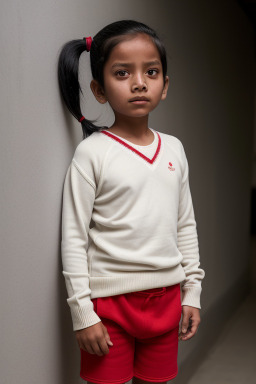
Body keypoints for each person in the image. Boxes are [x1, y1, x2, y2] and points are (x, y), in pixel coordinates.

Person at [58, 19, 205, 384]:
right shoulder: (91, 154)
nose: (139, 83)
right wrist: (83, 314)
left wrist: (193, 292)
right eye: (122, 73)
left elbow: (184, 223)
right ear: (99, 89)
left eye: (151, 72)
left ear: (164, 85)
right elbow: (74, 237)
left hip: (167, 300)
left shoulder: (174, 149)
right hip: (108, 307)